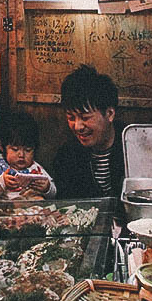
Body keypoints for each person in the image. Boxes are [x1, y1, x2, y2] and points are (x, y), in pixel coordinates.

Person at [53, 65, 124, 200]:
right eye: (71, 117)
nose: (78, 126)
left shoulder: (132, 147)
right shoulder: (67, 155)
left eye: (85, 117)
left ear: (109, 114)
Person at [0, 111, 56, 200]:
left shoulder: (35, 169)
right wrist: (2, 182)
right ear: (2, 146)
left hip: (30, 211)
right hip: (5, 210)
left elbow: (53, 192)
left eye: (28, 150)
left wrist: (47, 188)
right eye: (15, 149)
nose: (21, 155)